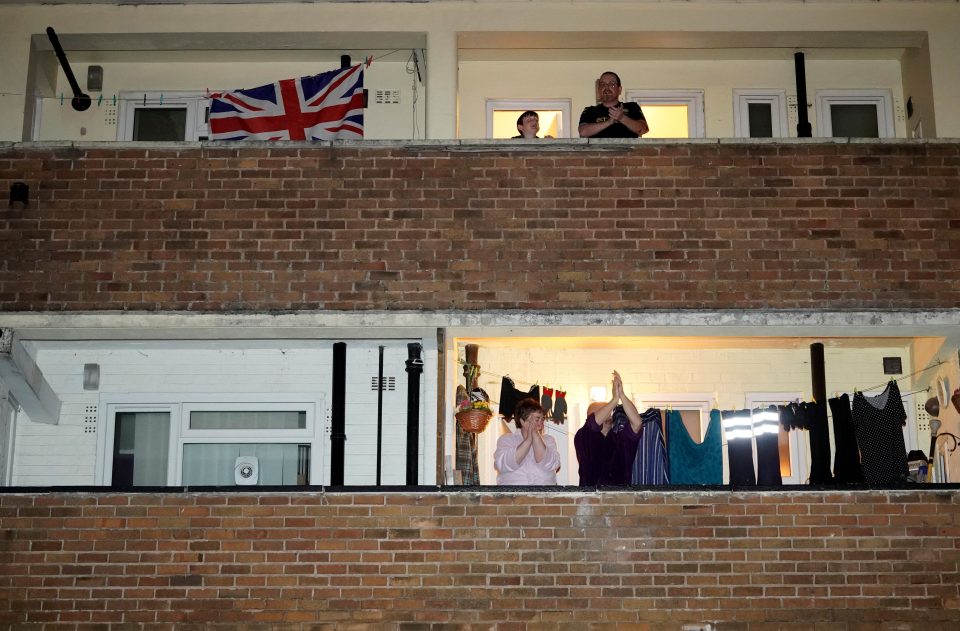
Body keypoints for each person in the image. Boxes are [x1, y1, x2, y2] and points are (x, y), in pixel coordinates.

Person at [574, 370, 644, 485]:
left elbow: (637, 423)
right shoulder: (583, 437)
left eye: (610, 409)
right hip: (592, 499)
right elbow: (593, 424)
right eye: (605, 409)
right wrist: (614, 400)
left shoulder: (620, 440)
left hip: (620, 500)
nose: (610, 411)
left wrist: (621, 395)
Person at [494, 397, 560, 485]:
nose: (541, 422)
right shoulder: (506, 439)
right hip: (512, 496)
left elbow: (551, 464)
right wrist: (528, 440)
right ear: (522, 421)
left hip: (544, 496)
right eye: (537, 419)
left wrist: (535, 435)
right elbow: (504, 464)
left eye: (542, 419)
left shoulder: (548, 440)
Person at [578, 71, 649, 138]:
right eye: (603, 84)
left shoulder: (632, 107)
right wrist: (609, 122)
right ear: (599, 90)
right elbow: (583, 132)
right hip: (599, 151)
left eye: (612, 84)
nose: (607, 87)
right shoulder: (590, 111)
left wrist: (622, 118)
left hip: (628, 150)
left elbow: (642, 129)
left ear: (619, 89)